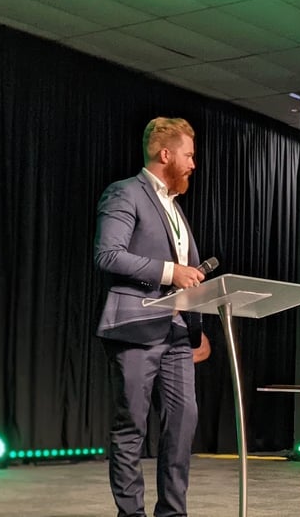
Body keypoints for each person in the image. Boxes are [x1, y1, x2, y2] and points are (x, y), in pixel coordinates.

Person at [94, 117, 207, 517]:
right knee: (132, 425)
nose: (193, 163)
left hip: (177, 332)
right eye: (188, 155)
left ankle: (173, 513)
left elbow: (187, 274)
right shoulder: (125, 192)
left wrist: (195, 327)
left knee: (182, 424)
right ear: (166, 154)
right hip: (135, 326)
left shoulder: (174, 207)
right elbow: (108, 255)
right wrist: (169, 272)